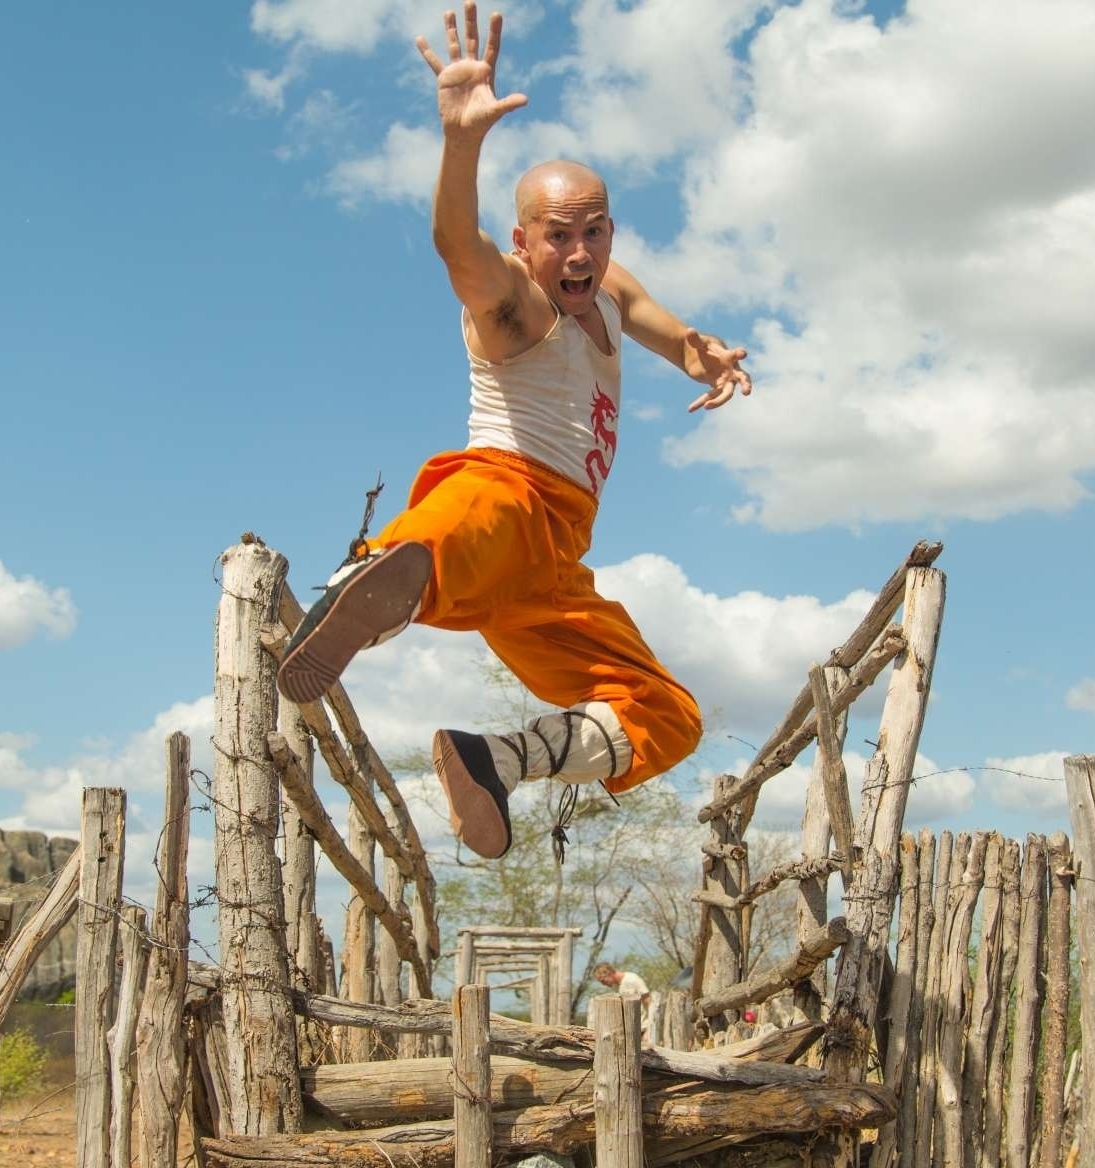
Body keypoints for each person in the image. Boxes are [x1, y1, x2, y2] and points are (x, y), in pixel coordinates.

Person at [278, 2, 752, 860]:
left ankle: (490, 761)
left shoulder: (608, 290)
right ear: (526, 244)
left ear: (609, 232)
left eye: (593, 233)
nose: (579, 256)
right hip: (510, 490)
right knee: (465, 521)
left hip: (557, 563)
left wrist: (702, 356)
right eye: (559, 238)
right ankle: (373, 590)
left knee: (668, 715)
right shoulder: (512, 305)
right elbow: (456, 246)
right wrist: (462, 141)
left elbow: (656, 320)